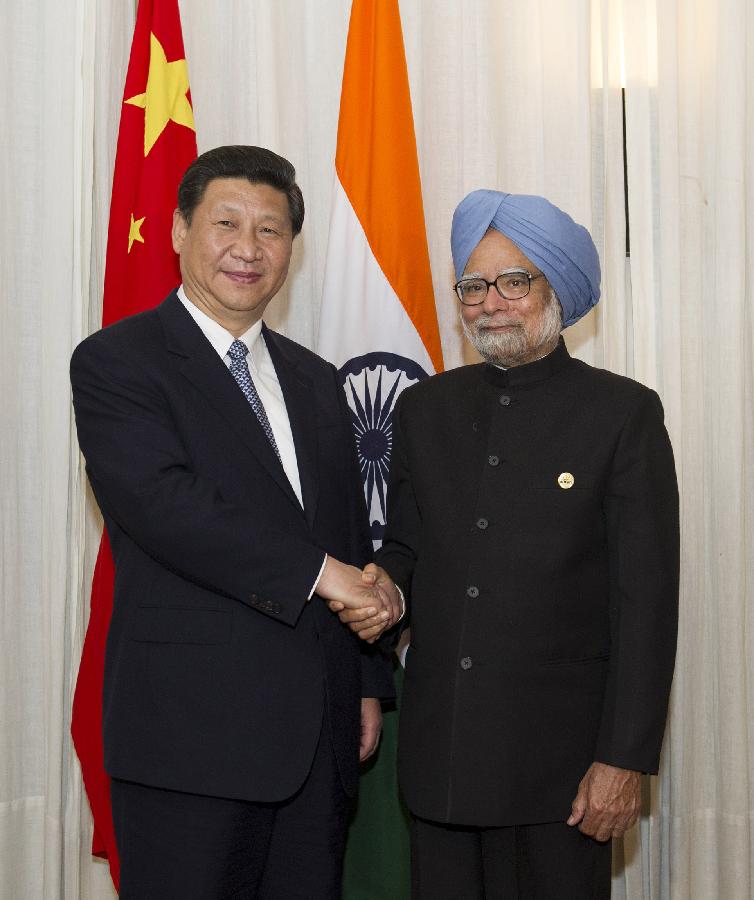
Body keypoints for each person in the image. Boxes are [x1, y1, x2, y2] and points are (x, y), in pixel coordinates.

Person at [70, 145, 401, 899]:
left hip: (317, 740)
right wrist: (325, 576)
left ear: (292, 249)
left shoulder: (318, 381)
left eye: (271, 230)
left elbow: (347, 534)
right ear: (180, 230)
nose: (247, 249)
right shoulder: (117, 363)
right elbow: (166, 506)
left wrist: (365, 684)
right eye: (226, 223)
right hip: (189, 740)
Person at [335, 190, 679, 898]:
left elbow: (646, 606)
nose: (490, 302)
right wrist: (387, 589)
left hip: (564, 772)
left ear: (555, 289)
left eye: (514, 281)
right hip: (444, 759)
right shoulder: (425, 408)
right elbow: (405, 545)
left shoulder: (623, 414)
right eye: (472, 285)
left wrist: (624, 759)